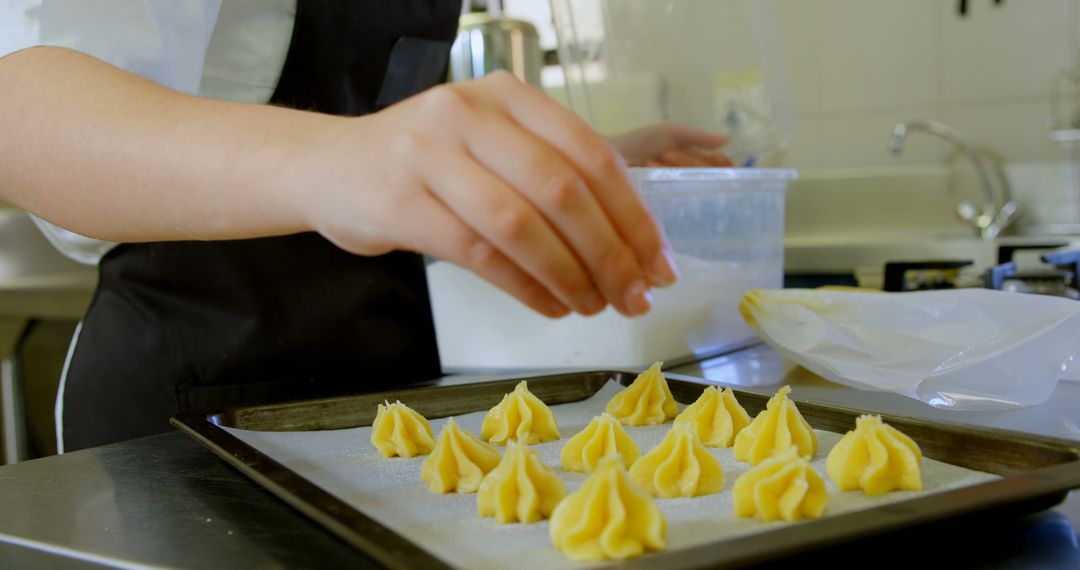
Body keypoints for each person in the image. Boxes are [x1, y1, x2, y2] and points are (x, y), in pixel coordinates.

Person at [0, 1, 732, 452]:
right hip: (195, 414)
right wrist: (339, 159)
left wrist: (570, 168)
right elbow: (23, 114)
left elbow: (392, 117)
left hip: (398, 404)